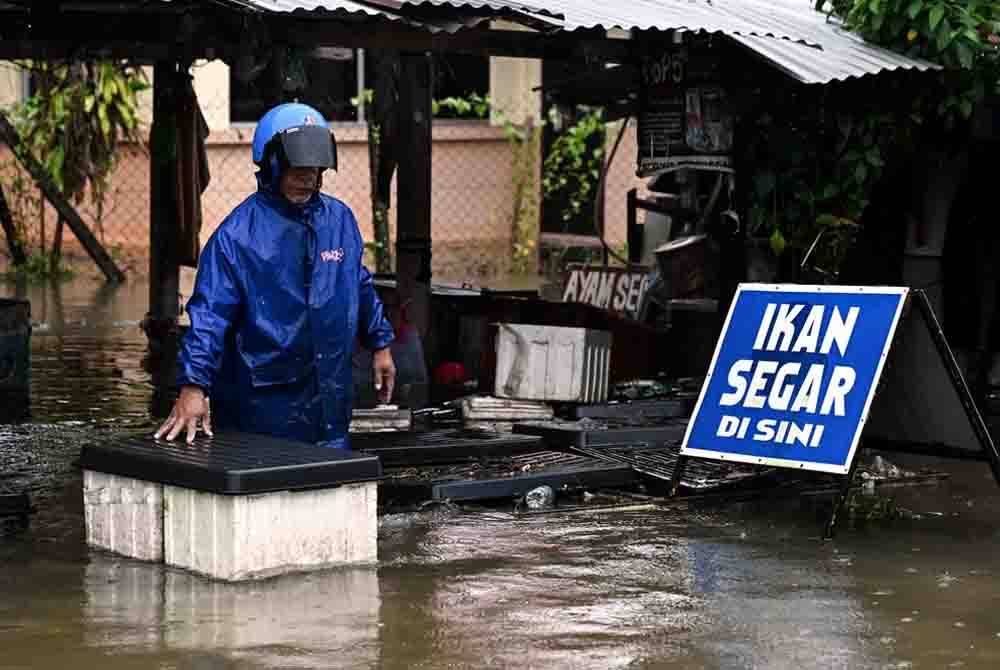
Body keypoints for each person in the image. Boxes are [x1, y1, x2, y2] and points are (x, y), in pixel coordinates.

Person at [155, 102, 396, 448]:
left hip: (330, 399)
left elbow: (357, 283)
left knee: (332, 479)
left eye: (315, 167)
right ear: (271, 164)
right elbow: (209, 316)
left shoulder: (339, 220)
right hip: (262, 406)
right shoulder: (237, 236)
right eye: (297, 166)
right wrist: (194, 387)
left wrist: (380, 344)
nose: (308, 176)